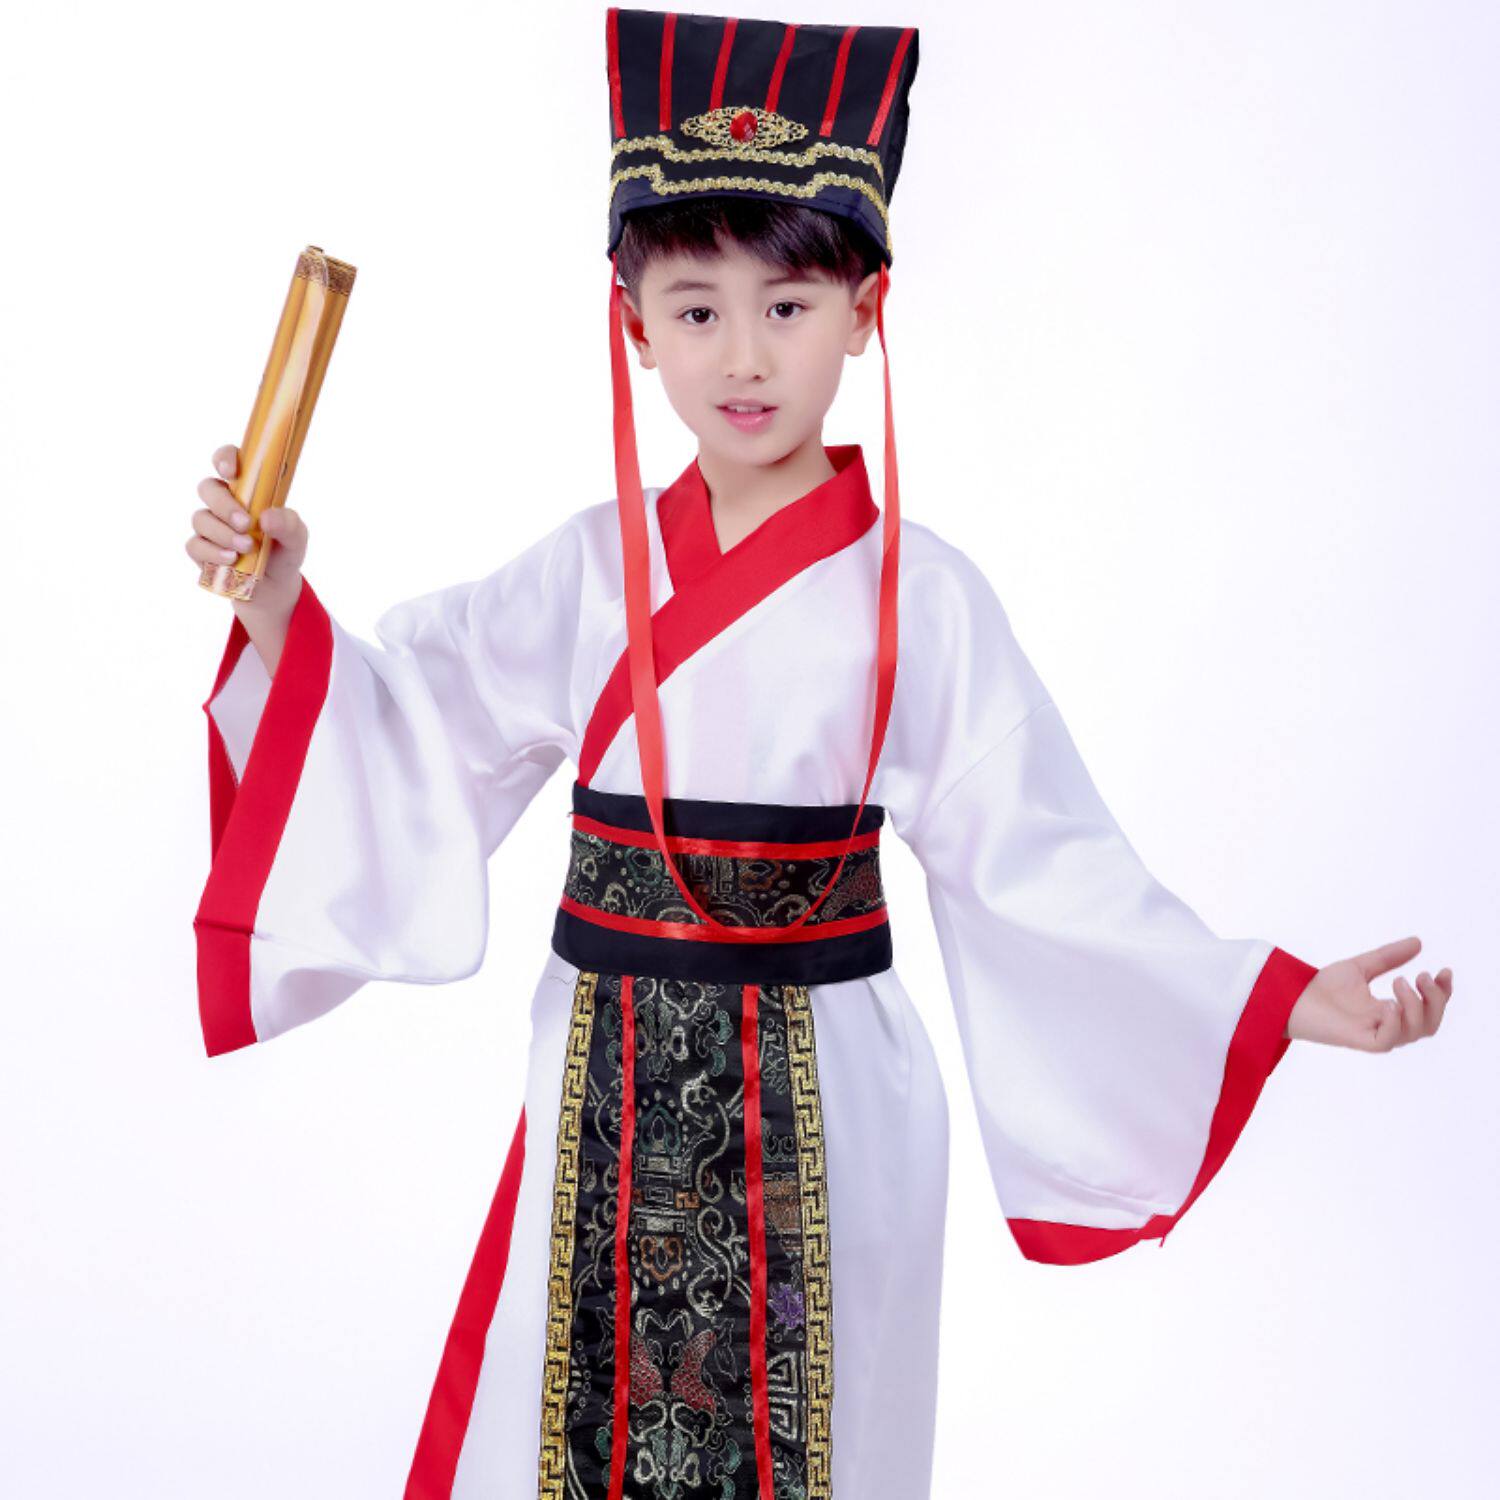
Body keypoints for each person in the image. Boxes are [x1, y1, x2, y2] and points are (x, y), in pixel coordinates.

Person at [185, 9, 1452, 1500]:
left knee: (817, 1442)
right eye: (696, 308)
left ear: (864, 310)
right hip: (601, 1090)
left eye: (787, 305)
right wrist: (276, 602)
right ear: (631, 321)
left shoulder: (924, 603)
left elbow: (1042, 868)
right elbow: (406, 727)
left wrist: (1278, 1000)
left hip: (827, 1111)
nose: (743, 355)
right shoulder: (587, 577)